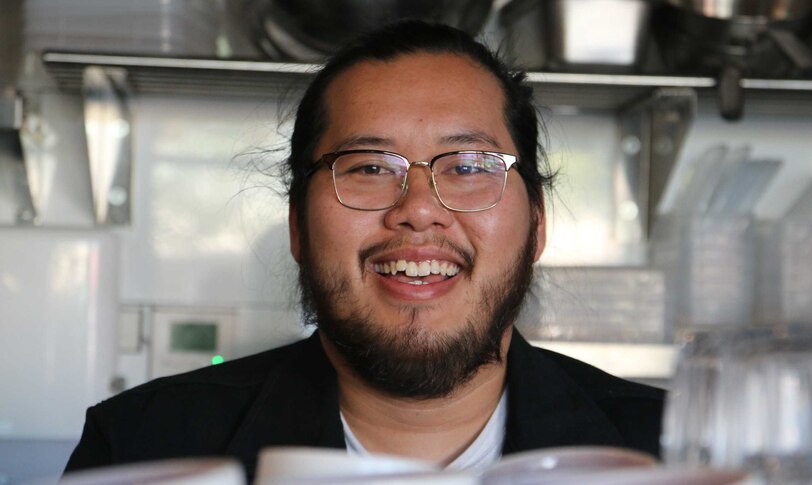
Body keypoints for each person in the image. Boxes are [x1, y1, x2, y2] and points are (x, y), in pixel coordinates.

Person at [64, 20, 664, 481]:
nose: (419, 207)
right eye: (369, 167)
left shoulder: (669, 452)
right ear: (297, 225)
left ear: (536, 226)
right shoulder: (143, 449)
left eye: (469, 166)